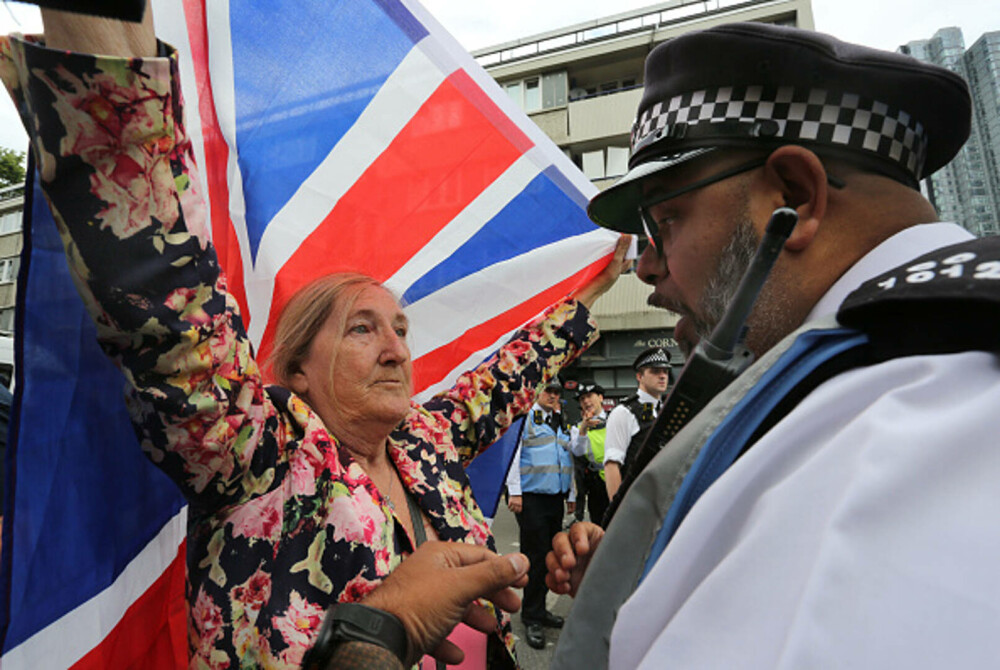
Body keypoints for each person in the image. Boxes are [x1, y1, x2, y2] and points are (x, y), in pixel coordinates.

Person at [0, 8, 631, 669]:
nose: (396, 350)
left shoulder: (426, 441)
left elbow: (508, 375)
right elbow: (163, 299)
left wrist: (596, 289)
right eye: (363, 328)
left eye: (401, 330)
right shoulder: (257, 454)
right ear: (296, 369)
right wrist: (101, 36)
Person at [545, 21, 1000, 670]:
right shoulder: (866, 379)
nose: (646, 268)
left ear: (792, 197)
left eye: (663, 218)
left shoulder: (920, 428)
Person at [504, 379, 574, 649]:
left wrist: (571, 495)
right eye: (549, 390)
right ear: (537, 391)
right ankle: (531, 616)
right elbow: (513, 455)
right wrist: (515, 492)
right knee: (534, 556)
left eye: (557, 392)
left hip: (555, 495)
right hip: (531, 497)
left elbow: (566, 458)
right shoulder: (525, 418)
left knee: (549, 555)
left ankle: (540, 611)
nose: (554, 395)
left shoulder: (560, 419)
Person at [602, 347, 670, 500]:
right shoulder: (624, 412)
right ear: (639, 376)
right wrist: (617, 510)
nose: (662, 376)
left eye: (665, 371)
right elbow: (612, 464)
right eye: (655, 371)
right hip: (637, 501)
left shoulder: (665, 409)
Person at [568, 382, 609, 524]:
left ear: (601, 398)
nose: (586, 401)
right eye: (582, 399)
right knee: (599, 526)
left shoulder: (615, 420)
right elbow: (578, 452)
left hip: (618, 478)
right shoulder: (577, 427)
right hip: (596, 484)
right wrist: (583, 430)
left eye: (589, 396)